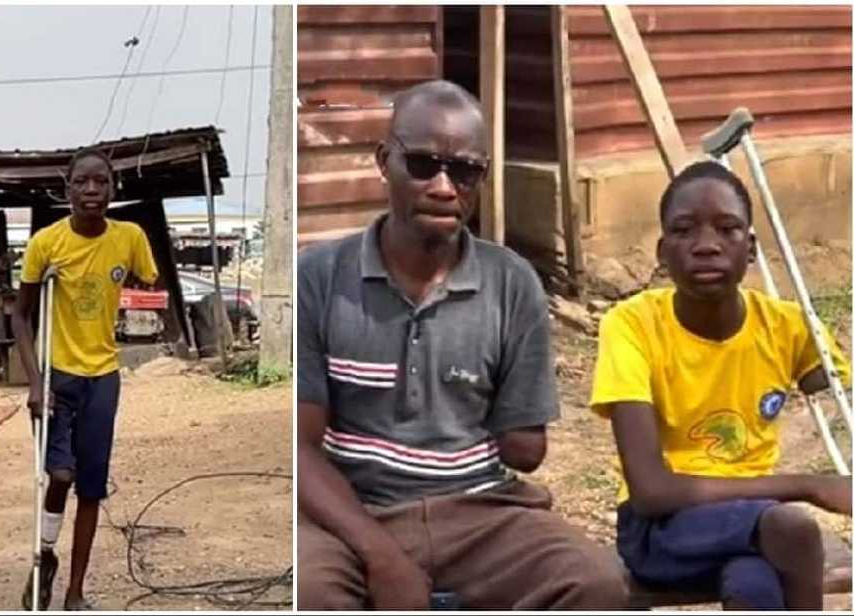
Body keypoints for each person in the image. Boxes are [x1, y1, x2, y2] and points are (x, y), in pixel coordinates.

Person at [296, 80, 629, 610]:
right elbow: (299, 448)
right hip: (355, 514)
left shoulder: (512, 283)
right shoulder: (318, 277)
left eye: (466, 171)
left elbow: (526, 449)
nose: (445, 188)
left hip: (479, 514)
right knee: (310, 593)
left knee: (596, 582)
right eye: (424, 164)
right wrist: (383, 557)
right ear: (385, 161)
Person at [590, 161, 852, 610]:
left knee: (755, 589)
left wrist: (818, 337)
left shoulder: (788, 325)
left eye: (727, 229)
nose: (706, 246)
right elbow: (651, 491)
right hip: (662, 529)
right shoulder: (631, 326)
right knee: (794, 530)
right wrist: (807, 485)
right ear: (661, 251)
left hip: (752, 525)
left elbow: (830, 400)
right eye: (684, 231)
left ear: (750, 250)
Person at [12, 147, 159, 611]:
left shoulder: (130, 236)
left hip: (103, 377)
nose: (92, 191)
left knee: (91, 487)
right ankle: (47, 555)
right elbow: (20, 317)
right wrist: (35, 383)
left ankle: (75, 590)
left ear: (113, 189)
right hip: (58, 376)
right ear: (67, 188)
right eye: (82, 183)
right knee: (59, 474)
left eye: (101, 182)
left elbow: (151, 280)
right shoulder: (45, 243)